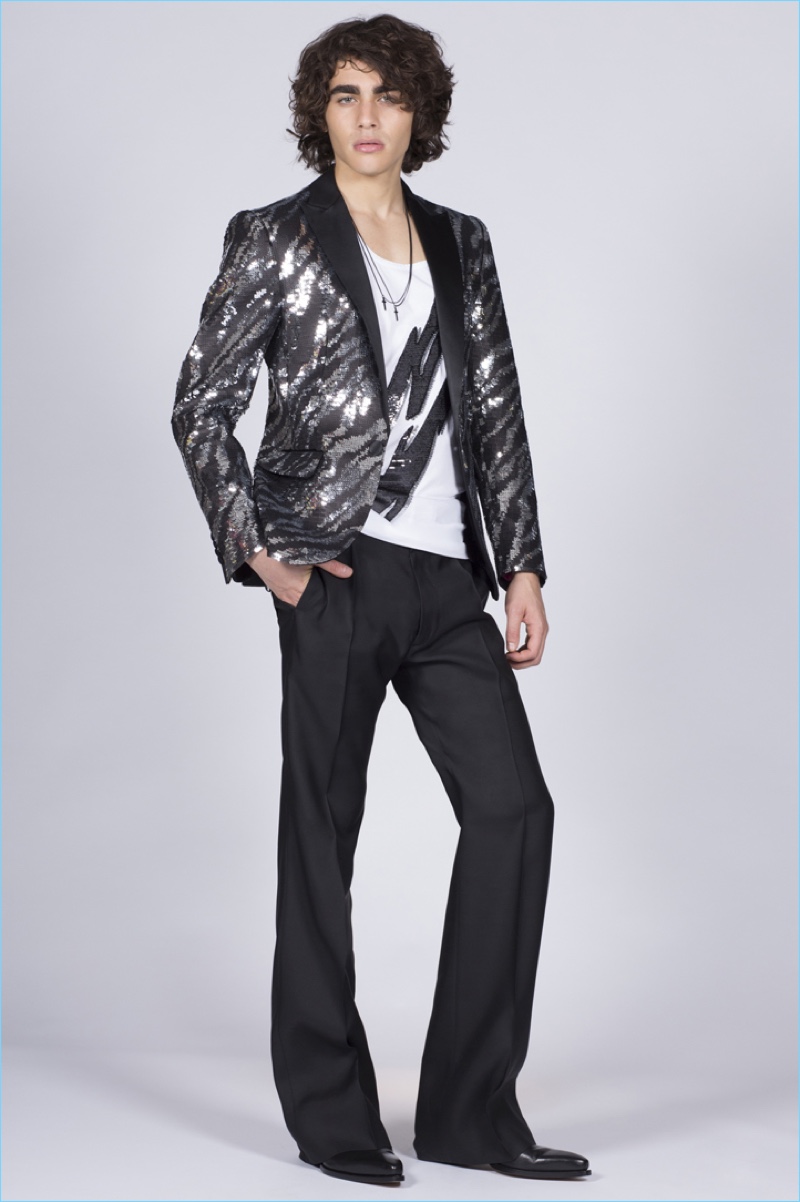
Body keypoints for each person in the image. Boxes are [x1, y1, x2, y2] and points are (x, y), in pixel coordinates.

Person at [172, 12, 590, 1188]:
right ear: (321, 111)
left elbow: (495, 409)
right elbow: (200, 403)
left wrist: (521, 563)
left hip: (447, 578)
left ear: (419, 114)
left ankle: (468, 1111)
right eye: (346, 94)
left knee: (513, 810)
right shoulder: (274, 236)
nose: (367, 117)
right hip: (333, 568)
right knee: (321, 834)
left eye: (389, 96)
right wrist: (263, 553)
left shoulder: (461, 241)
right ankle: (331, 1115)